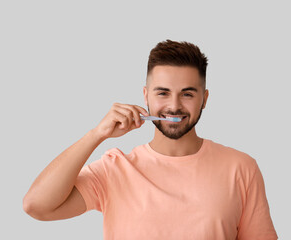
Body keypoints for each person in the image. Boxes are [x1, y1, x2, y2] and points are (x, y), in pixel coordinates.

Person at [22, 39, 278, 239]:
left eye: (187, 94)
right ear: (146, 96)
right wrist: (96, 135)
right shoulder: (115, 169)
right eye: (163, 93)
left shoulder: (242, 168)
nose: (174, 106)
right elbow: (37, 205)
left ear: (205, 99)